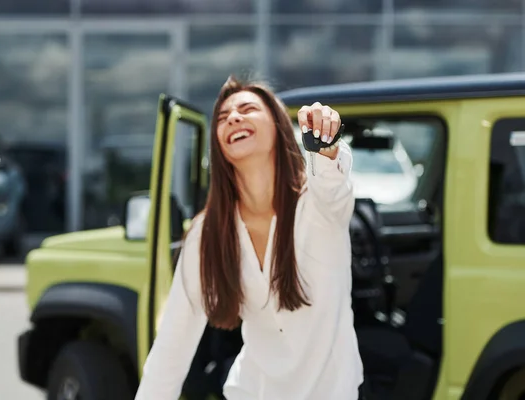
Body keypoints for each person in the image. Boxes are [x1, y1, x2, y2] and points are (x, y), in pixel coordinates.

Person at [134, 75, 364, 400]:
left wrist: (325, 146)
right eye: (223, 118)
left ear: (278, 125)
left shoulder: (317, 208)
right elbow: (172, 345)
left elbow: (333, 186)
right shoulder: (208, 232)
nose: (234, 118)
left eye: (247, 109)